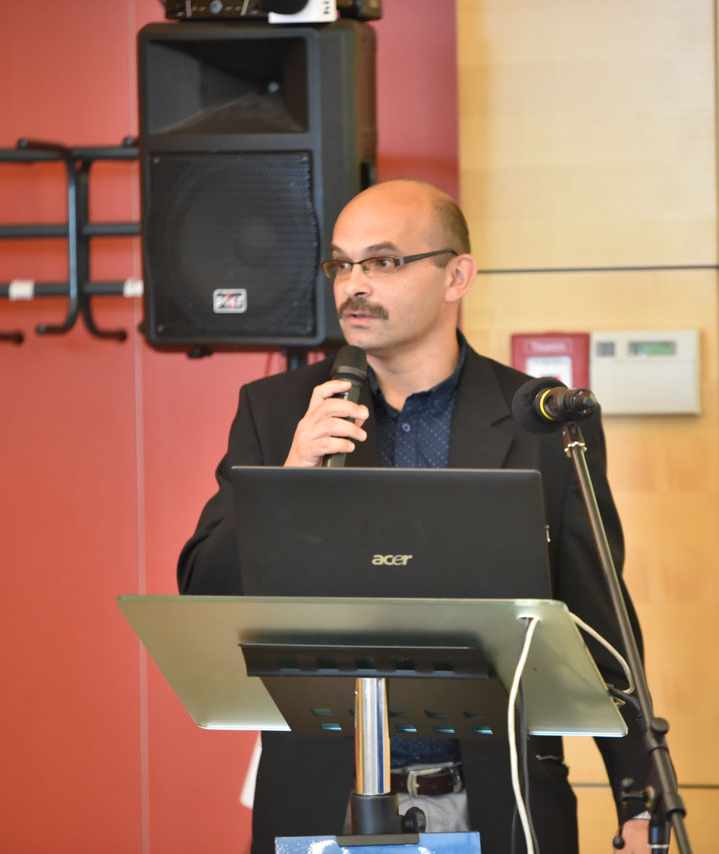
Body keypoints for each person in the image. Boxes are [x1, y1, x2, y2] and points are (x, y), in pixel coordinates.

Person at [177, 179, 652, 853]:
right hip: (321, 801)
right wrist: (289, 478)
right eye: (341, 264)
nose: (353, 285)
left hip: (497, 798)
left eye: (383, 261)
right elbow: (203, 587)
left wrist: (638, 796)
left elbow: (599, 617)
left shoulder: (539, 422)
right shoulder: (280, 411)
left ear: (457, 275)